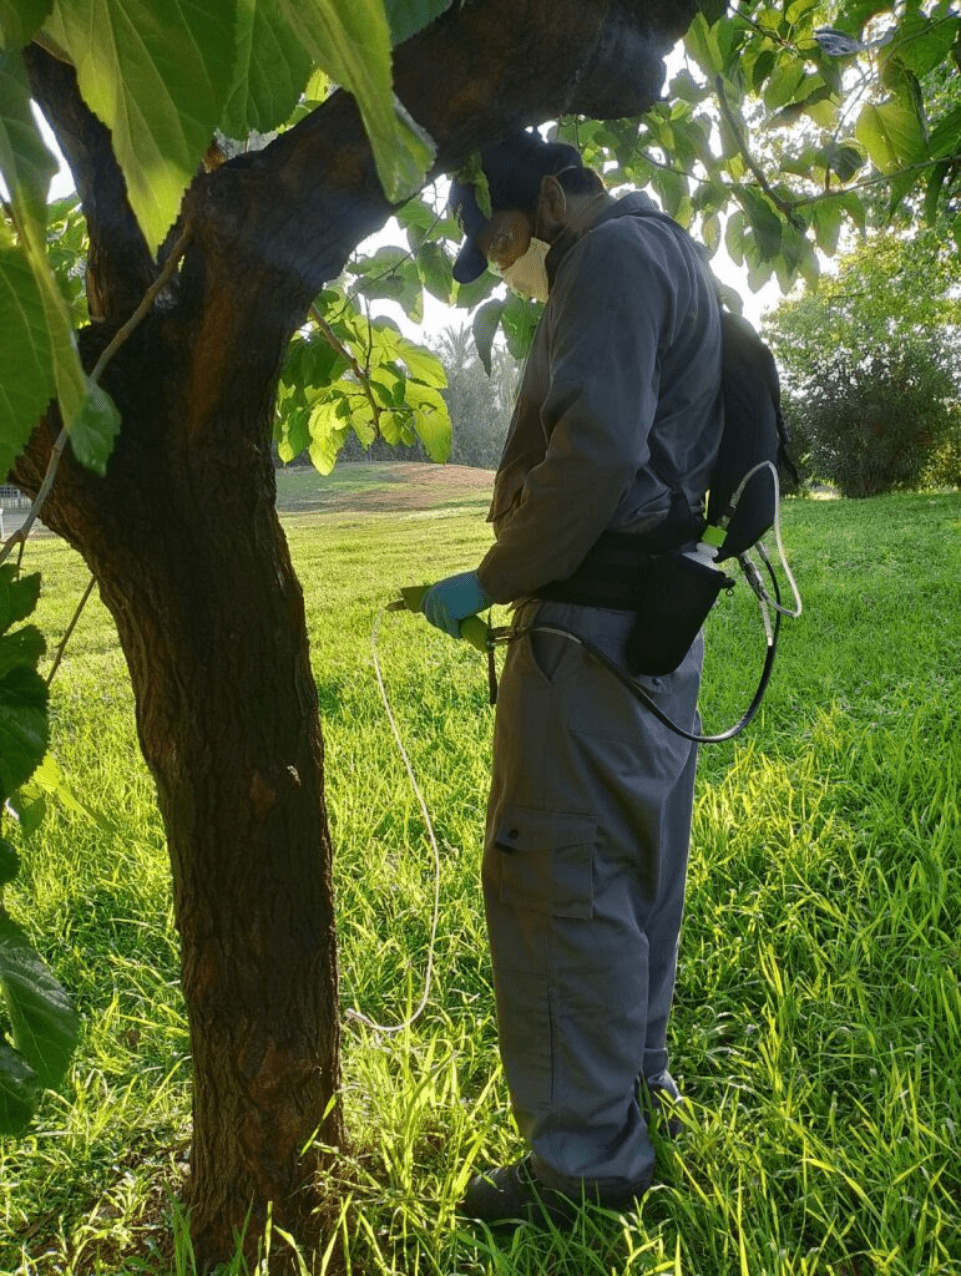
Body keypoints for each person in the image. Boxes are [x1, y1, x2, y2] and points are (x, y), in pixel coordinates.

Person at [421, 130, 724, 1225]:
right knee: (631, 865)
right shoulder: (671, 247)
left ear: (550, 198)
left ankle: (588, 1162)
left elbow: (594, 454)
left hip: (589, 631)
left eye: (504, 239)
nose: (507, 265)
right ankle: (634, 1085)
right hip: (647, 624)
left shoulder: (607, 257)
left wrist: (493, 577)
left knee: (557, 873)